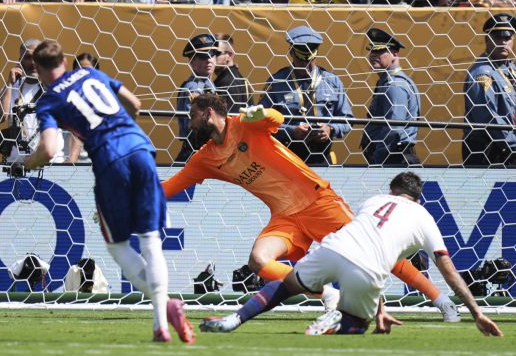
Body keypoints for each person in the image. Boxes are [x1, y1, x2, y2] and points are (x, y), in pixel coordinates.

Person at [163, 93, 460, 320]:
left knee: (378, 252)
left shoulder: (245, 124)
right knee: (258, 260)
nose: (188, 123)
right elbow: (167, 188)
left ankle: (441, 300)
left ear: (208, 112)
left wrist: (262, 112)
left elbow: (276, 120)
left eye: (192, 115)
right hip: (285, 218)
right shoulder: (205, 158)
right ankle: (326, 294)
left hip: (318, 203)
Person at [11, 40, 196, 344]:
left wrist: (26, 164)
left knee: (118, 246)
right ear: (65, 59)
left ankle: (163, 312)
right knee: (151, 240)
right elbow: (135, 104)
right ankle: (160, 321)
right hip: (141, 149)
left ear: (41, 71)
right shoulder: (91, 74)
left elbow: (49, 147)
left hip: (110, 162)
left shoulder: (49, 99)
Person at [200, 172, 503, 337]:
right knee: (358, 325)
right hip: (367, 271)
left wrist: (380, 306)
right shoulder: (424, 217)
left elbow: (366, 241)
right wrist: (477, 312)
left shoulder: (374, 201)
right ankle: (338, 322)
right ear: (416, 197)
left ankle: (234, 319)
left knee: (286, 285)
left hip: (333, 248)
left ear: (392, 190)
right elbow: (448, 270)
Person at [259, 26, 353, 166]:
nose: (306, 66)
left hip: (322, 157)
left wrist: (330, 129)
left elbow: (347, 120)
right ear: (291, 52)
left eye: (310, 60)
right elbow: (262, 121)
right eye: (301, 60)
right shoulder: (277, 83)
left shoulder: (332, 81)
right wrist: (291, 132)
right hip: (287, 157)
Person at [0, 39, 65, 163]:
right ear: (20, 61)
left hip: (51, 163)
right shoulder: (12, 87)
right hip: (17, 164)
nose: (33, 63)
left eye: (37, 58)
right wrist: (9, 84)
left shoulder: (55, 86)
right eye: (28, 58)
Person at [360, 27, 422, 167]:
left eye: (380, 50)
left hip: (394, 158)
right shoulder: (388, 82)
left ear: (394, 53)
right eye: (372, 50)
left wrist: (378, 160)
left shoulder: (394, 85)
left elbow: (393, 127)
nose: (373, 55)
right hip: (391, 157)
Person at [463, 13, 516, 167]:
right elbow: (488, 118)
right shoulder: (482, 74)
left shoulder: (510, 69)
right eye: (498, 37)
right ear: (487, 39)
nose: (503, 42)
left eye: (507, 38)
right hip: (489, 151)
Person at [175, 33, 217, 163]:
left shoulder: (208, 84)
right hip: (196, 151)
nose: (209, 60)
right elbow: (194, 126)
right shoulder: (193, 87)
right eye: (203, 56)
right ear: (192, 61)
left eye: (212, 55)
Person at [212, 33, 252, 113]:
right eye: (209, 52)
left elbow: (229, 118)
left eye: (216, 53)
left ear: (229, 55)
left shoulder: (227, 82)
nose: (210, 57)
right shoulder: (237, 77)